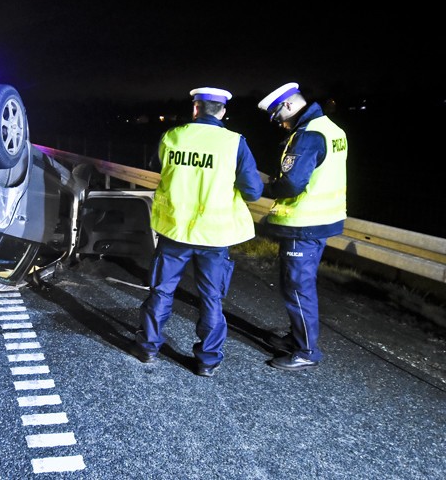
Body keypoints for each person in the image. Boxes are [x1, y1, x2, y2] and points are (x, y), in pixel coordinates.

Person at [133, 87, 264, 377]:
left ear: (196, 109)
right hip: (214, 236)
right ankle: (206, 360)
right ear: (222, 112)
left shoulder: (172, 136)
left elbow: (157, 167)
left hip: (175, 231)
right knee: (211, 298)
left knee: (162, 290)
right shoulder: (234, 143)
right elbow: (253, 192)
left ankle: (148, 347)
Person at [257, 82, 348, 371]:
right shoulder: (331, 129)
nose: (281, 125)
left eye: (279, 118)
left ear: (287, 107)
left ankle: (307, 350)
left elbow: (294, 182)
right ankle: (297, 338)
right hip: (321, 219)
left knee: (297, 287)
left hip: (304, 223)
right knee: (295, 285)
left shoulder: (307, 135)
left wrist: (269, 185)